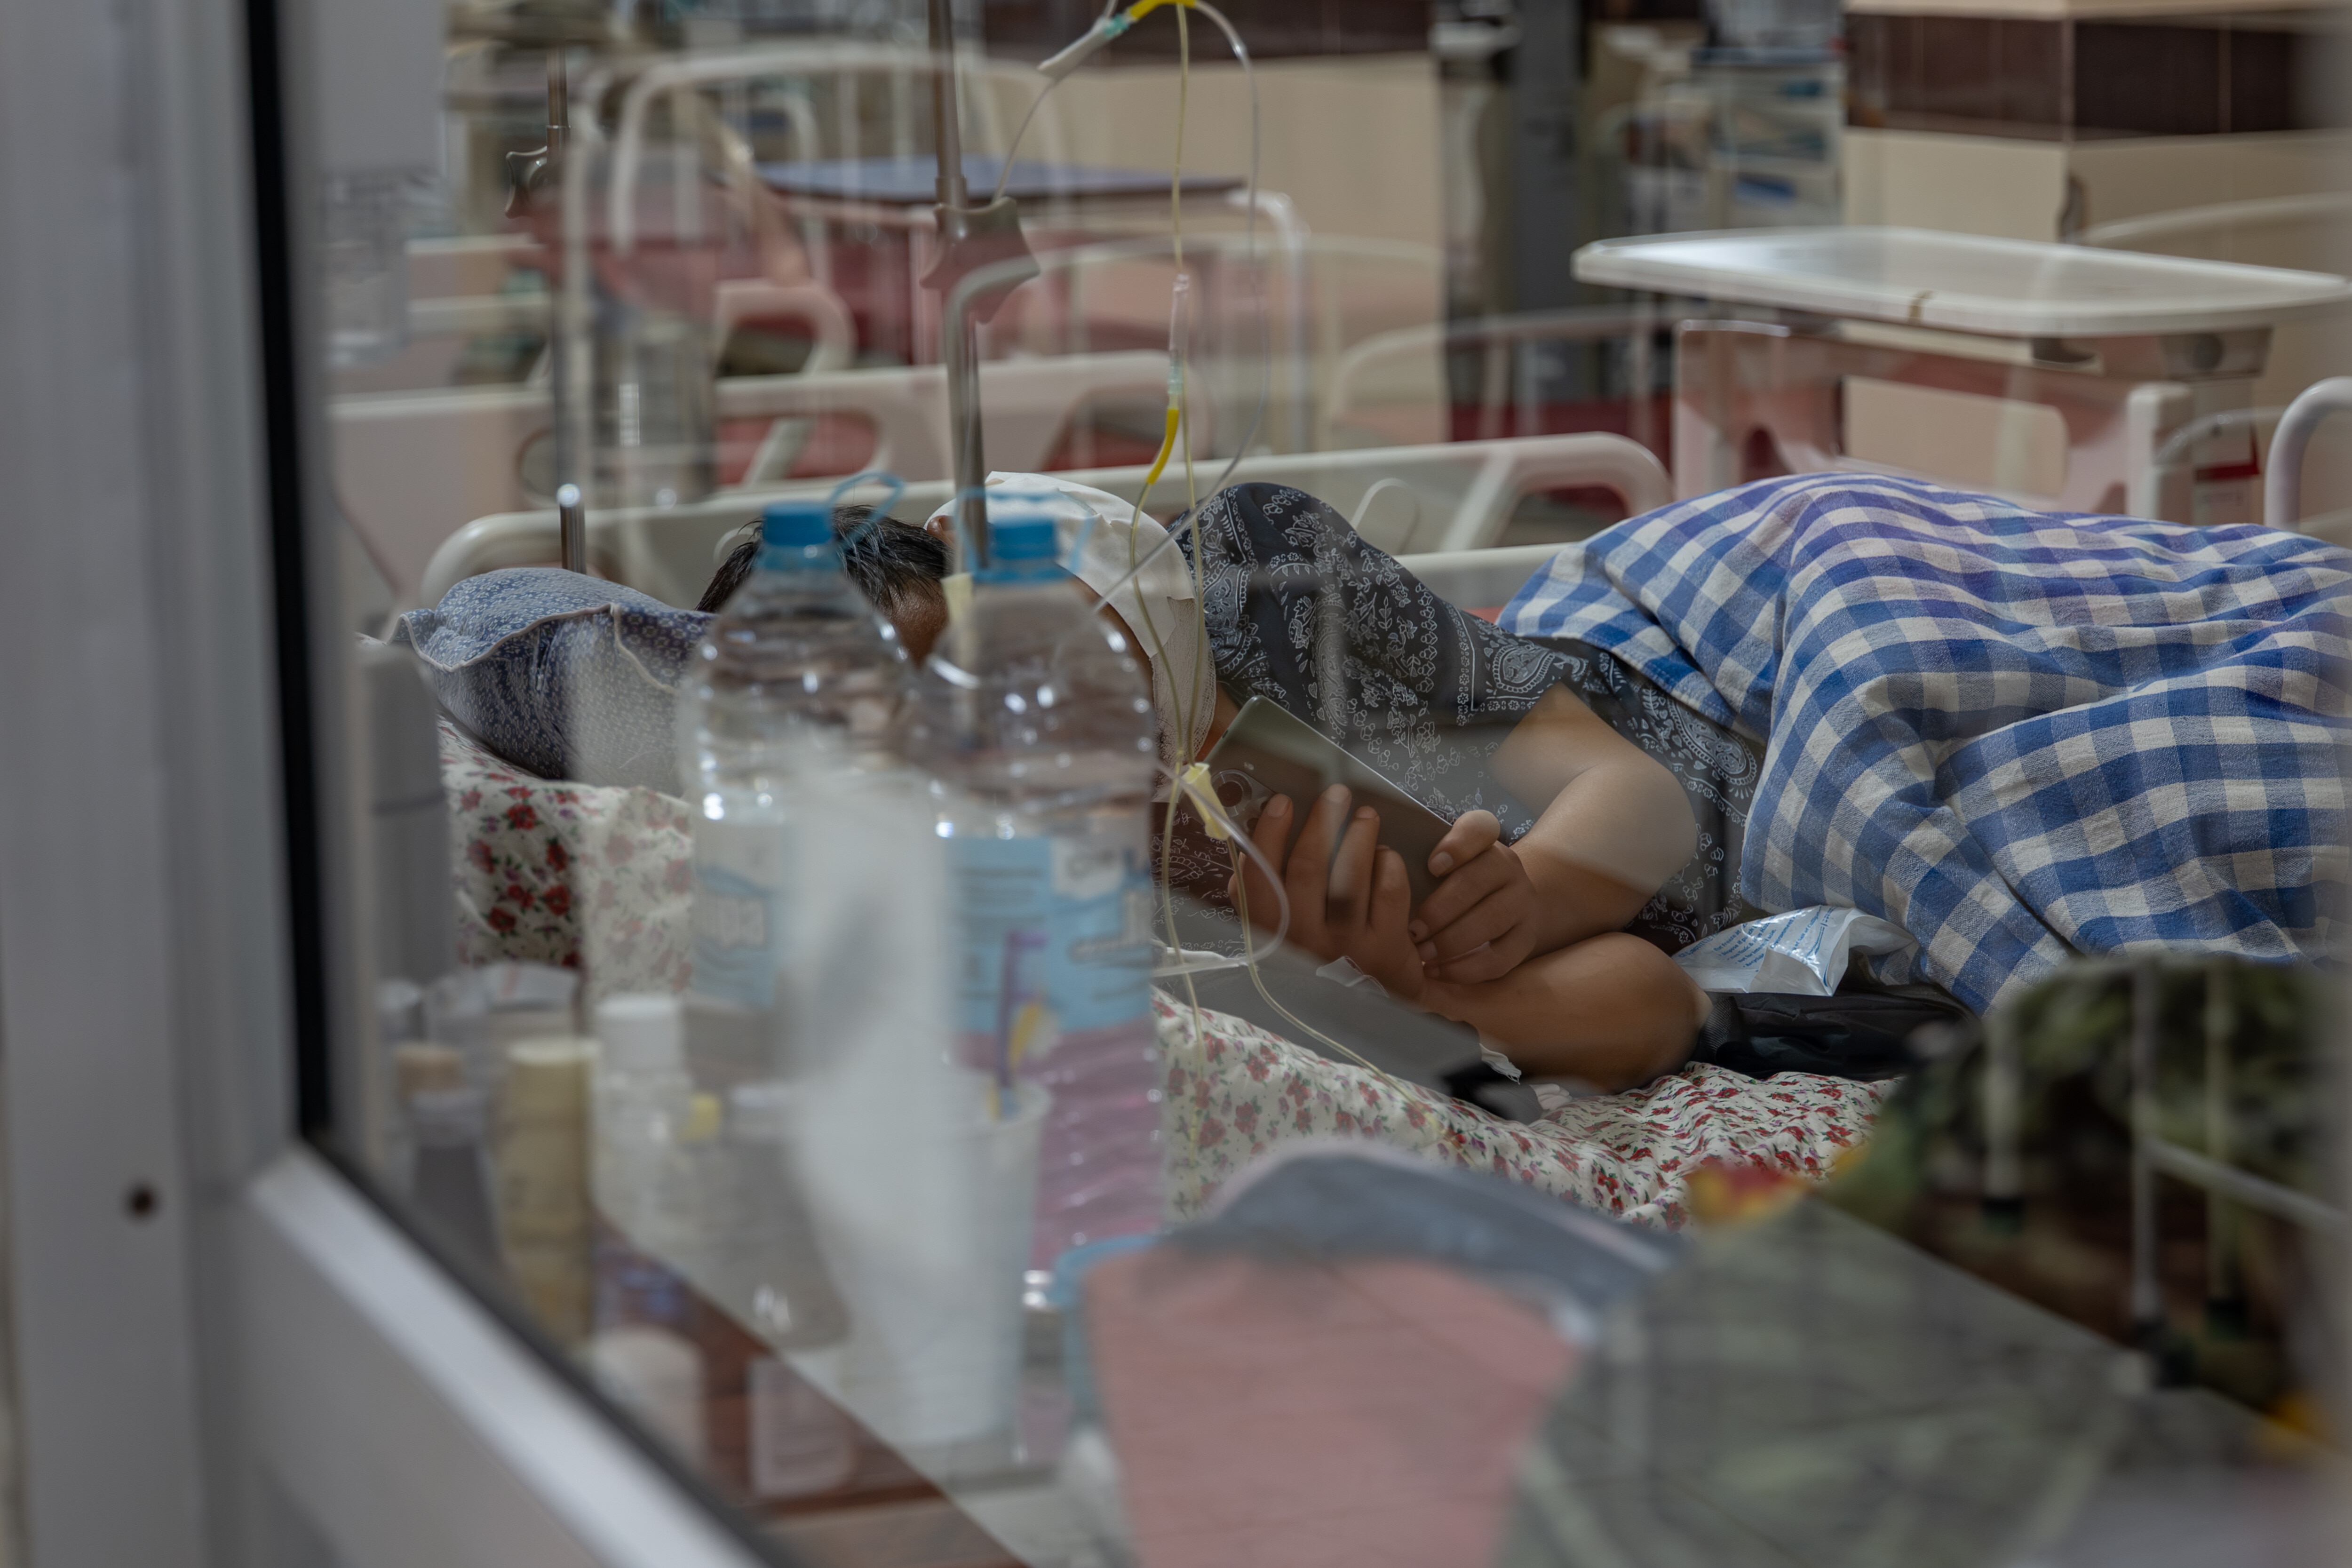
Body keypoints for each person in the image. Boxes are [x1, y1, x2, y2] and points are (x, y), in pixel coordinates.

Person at [705, 483, 1754, 1090]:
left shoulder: (1263, 573)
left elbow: (1646, 792)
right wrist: (1413, 994)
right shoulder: (1117, 865)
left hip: (1693, 739)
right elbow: (1653, 997)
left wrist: (1532, 891)